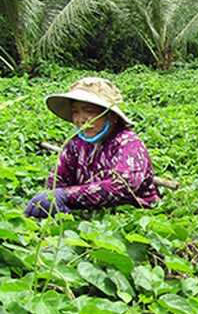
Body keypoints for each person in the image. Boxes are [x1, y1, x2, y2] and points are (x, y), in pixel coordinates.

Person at [24, 77, 159, 218]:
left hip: (131, 217)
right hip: (87, 215)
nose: (81, 119)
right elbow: (57, 181)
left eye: (89, 111)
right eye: (75, 111)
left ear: (111, 115)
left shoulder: (128, 144)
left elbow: (121, 187)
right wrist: (52, 199)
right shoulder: (75, 144)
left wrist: (67, 195)